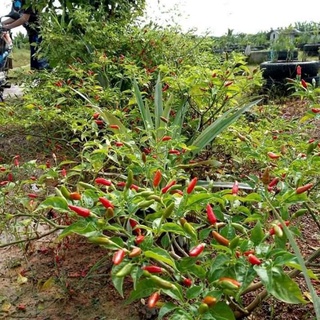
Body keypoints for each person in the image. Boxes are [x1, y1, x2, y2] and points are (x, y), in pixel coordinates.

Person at [2, 0, 49, 70]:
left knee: (40, 60)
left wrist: (8, 27)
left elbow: (24, 18)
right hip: (31, 33)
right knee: (34, 60)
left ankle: (46, 78)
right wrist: (2, 23)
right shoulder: (15, 3)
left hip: (40, 32)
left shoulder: (27, 1)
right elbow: (15, 16)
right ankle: (37, 78)